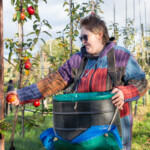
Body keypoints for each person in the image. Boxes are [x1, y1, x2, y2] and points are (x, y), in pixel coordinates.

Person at [7, 13, 148, 150]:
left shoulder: (121, 56)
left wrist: (125, 93)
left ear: (99, 35)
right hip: (84, 132)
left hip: (115, 132)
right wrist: (21, 95)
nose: (83, 41)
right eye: (81, 38)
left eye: (86, 37)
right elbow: (52, 82)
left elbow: (142, 82)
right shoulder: (78, 60)